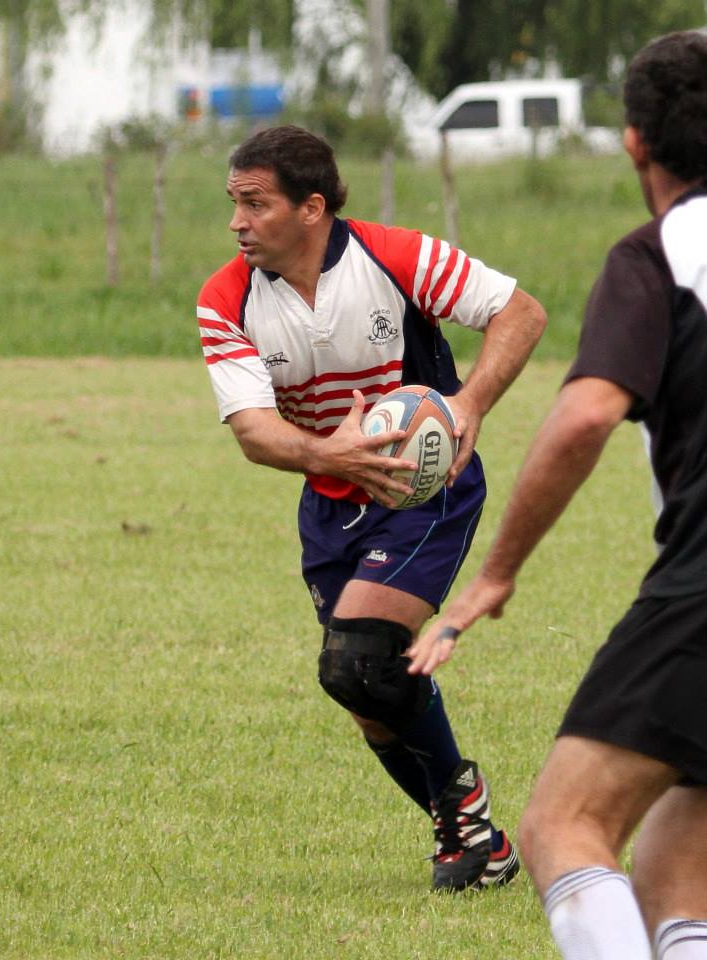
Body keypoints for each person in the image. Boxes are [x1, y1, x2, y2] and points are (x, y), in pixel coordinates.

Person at [408, 29, 707, 954]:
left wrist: (493, 575)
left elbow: (583, 416)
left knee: (560, 827)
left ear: (632, 142)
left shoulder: (658, 255)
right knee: (672, 865)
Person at [197, 124, 546, 892]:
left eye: (254, 205)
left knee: (357, 656)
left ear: (311, 207)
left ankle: (466, 825)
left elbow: (520, 312)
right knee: (358, 686)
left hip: (426, 490)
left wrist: (470, 404)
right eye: (233, 204)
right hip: (328, 508)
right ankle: (473, 832)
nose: (237, 223)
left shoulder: (395, 255)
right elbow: (254, 432)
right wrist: (328, 456)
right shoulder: (226, 299)